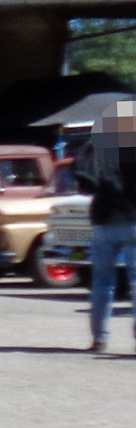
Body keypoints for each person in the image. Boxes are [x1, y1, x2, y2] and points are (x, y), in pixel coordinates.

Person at [78, 101, 136, 352]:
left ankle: (99, 338)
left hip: (104, 219)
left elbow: (84, 181)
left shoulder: (97, 147)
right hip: (133, 218)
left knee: (102, 282)